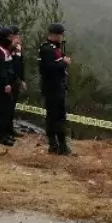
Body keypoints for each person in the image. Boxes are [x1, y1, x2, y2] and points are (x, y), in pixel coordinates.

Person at [38, 23, 72, 155]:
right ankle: (56, 145)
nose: (62, 37)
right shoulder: (46, 49)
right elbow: (48, 69)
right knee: (54, 117)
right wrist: (64, 63)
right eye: (61, 34)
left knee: (59, 116)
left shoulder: (55, 48)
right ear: (56, 35)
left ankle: (60, 145)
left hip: (59, 87)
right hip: (52, 88)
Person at [0, 26, 16, 147]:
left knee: (7, 110)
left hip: (7, 84)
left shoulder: (5, 49)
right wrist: (5, 83)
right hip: (1, 85)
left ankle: (4, 134)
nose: (12, 39)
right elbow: (0, 70)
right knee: (2, 110)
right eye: (10, 37)